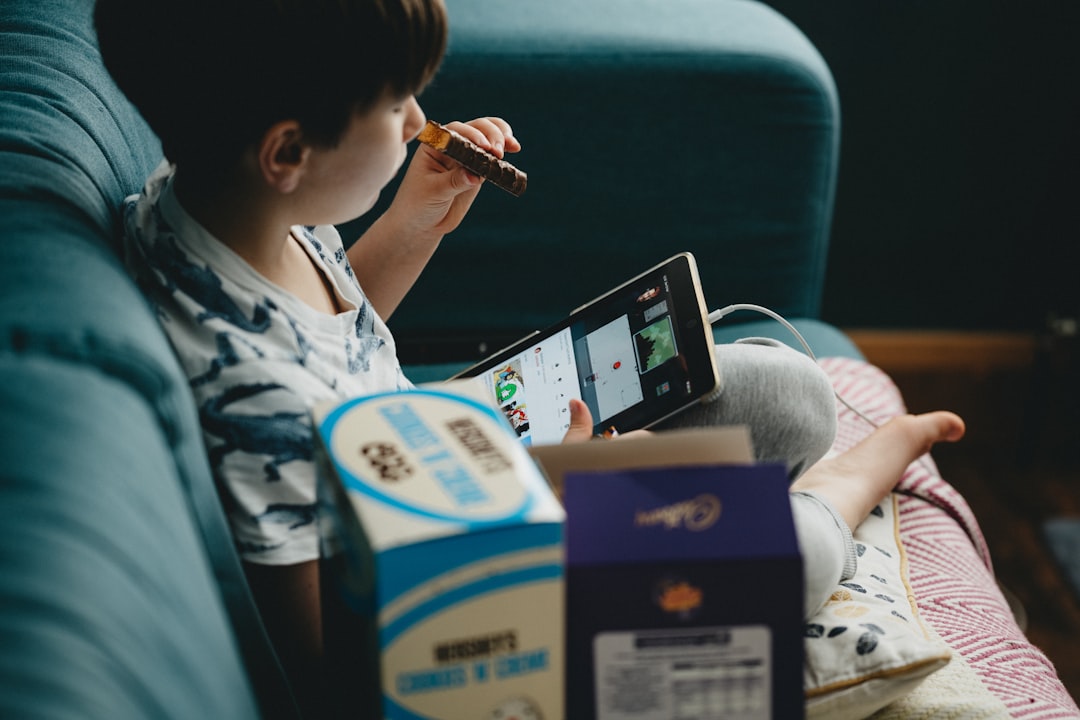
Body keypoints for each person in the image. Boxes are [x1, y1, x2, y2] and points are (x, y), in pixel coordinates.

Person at [95, 0, 965, 715]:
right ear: (287, 152)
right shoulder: (251, 404)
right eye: (398, 105)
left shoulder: (212, 206)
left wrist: (410, 222)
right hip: (469, 580)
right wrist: (546, 513)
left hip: (440, 444)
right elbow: (346, 666)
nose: (419, 124)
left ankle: (797, 475)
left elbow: (333, 338)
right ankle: (844, 494)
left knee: (783, 394)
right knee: (792, 558)